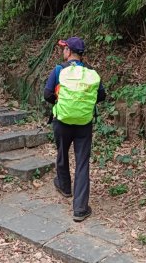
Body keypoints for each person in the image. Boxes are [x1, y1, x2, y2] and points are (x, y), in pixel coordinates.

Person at [44, 37, 106, 222]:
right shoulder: (91, 73)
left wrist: (60, 102)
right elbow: (101, 96)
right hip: (84, 124)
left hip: (62, 121)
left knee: (62, 153)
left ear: (69, 52)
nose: (62, 52)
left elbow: (47, 94)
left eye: (64, 49)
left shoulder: (58, 70)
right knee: (82, 162)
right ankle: (80, 209)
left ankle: (64, 186)